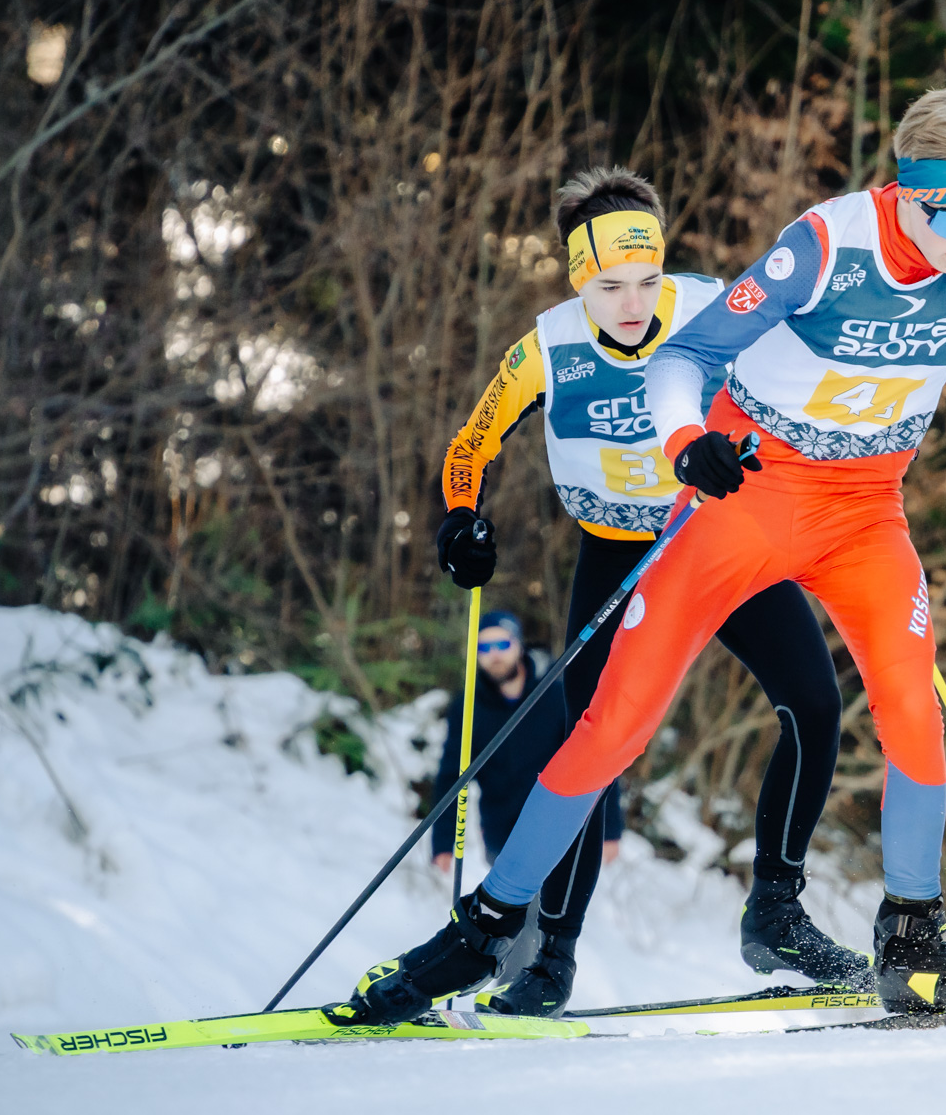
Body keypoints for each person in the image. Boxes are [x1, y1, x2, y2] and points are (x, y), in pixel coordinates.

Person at [335, 83, 946, 1023]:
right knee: (614, 723)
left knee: (908, 704)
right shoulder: (826, 245)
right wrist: (687, 441)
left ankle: (909, 937)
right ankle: (484, 930)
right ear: (912, 195)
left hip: (866, 512)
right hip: (748, 500)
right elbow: (684, 357)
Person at [332, 167, 861, 1025]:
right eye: (610, 286)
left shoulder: (711, 308)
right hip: (616, 553)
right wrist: (461, 520)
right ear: (579, 280)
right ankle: (551, 959)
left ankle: (777, 913)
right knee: (587, 748)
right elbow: (471, 446)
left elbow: (813, 369)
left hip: (716, 540)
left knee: (815, 701)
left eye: (647, 280)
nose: (633, 304)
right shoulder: (544, 348)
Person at [429, 608, 623, 876]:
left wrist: (609, 827)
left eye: (502, 644)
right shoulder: (468, 706)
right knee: (510, 902)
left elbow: (594, 758)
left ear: (518, 644)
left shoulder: (556, 694)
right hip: (502, 837)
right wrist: (443, 842)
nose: (494, 655)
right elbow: (452, 775)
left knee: (552, 900)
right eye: (484, 647)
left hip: (556, 829)